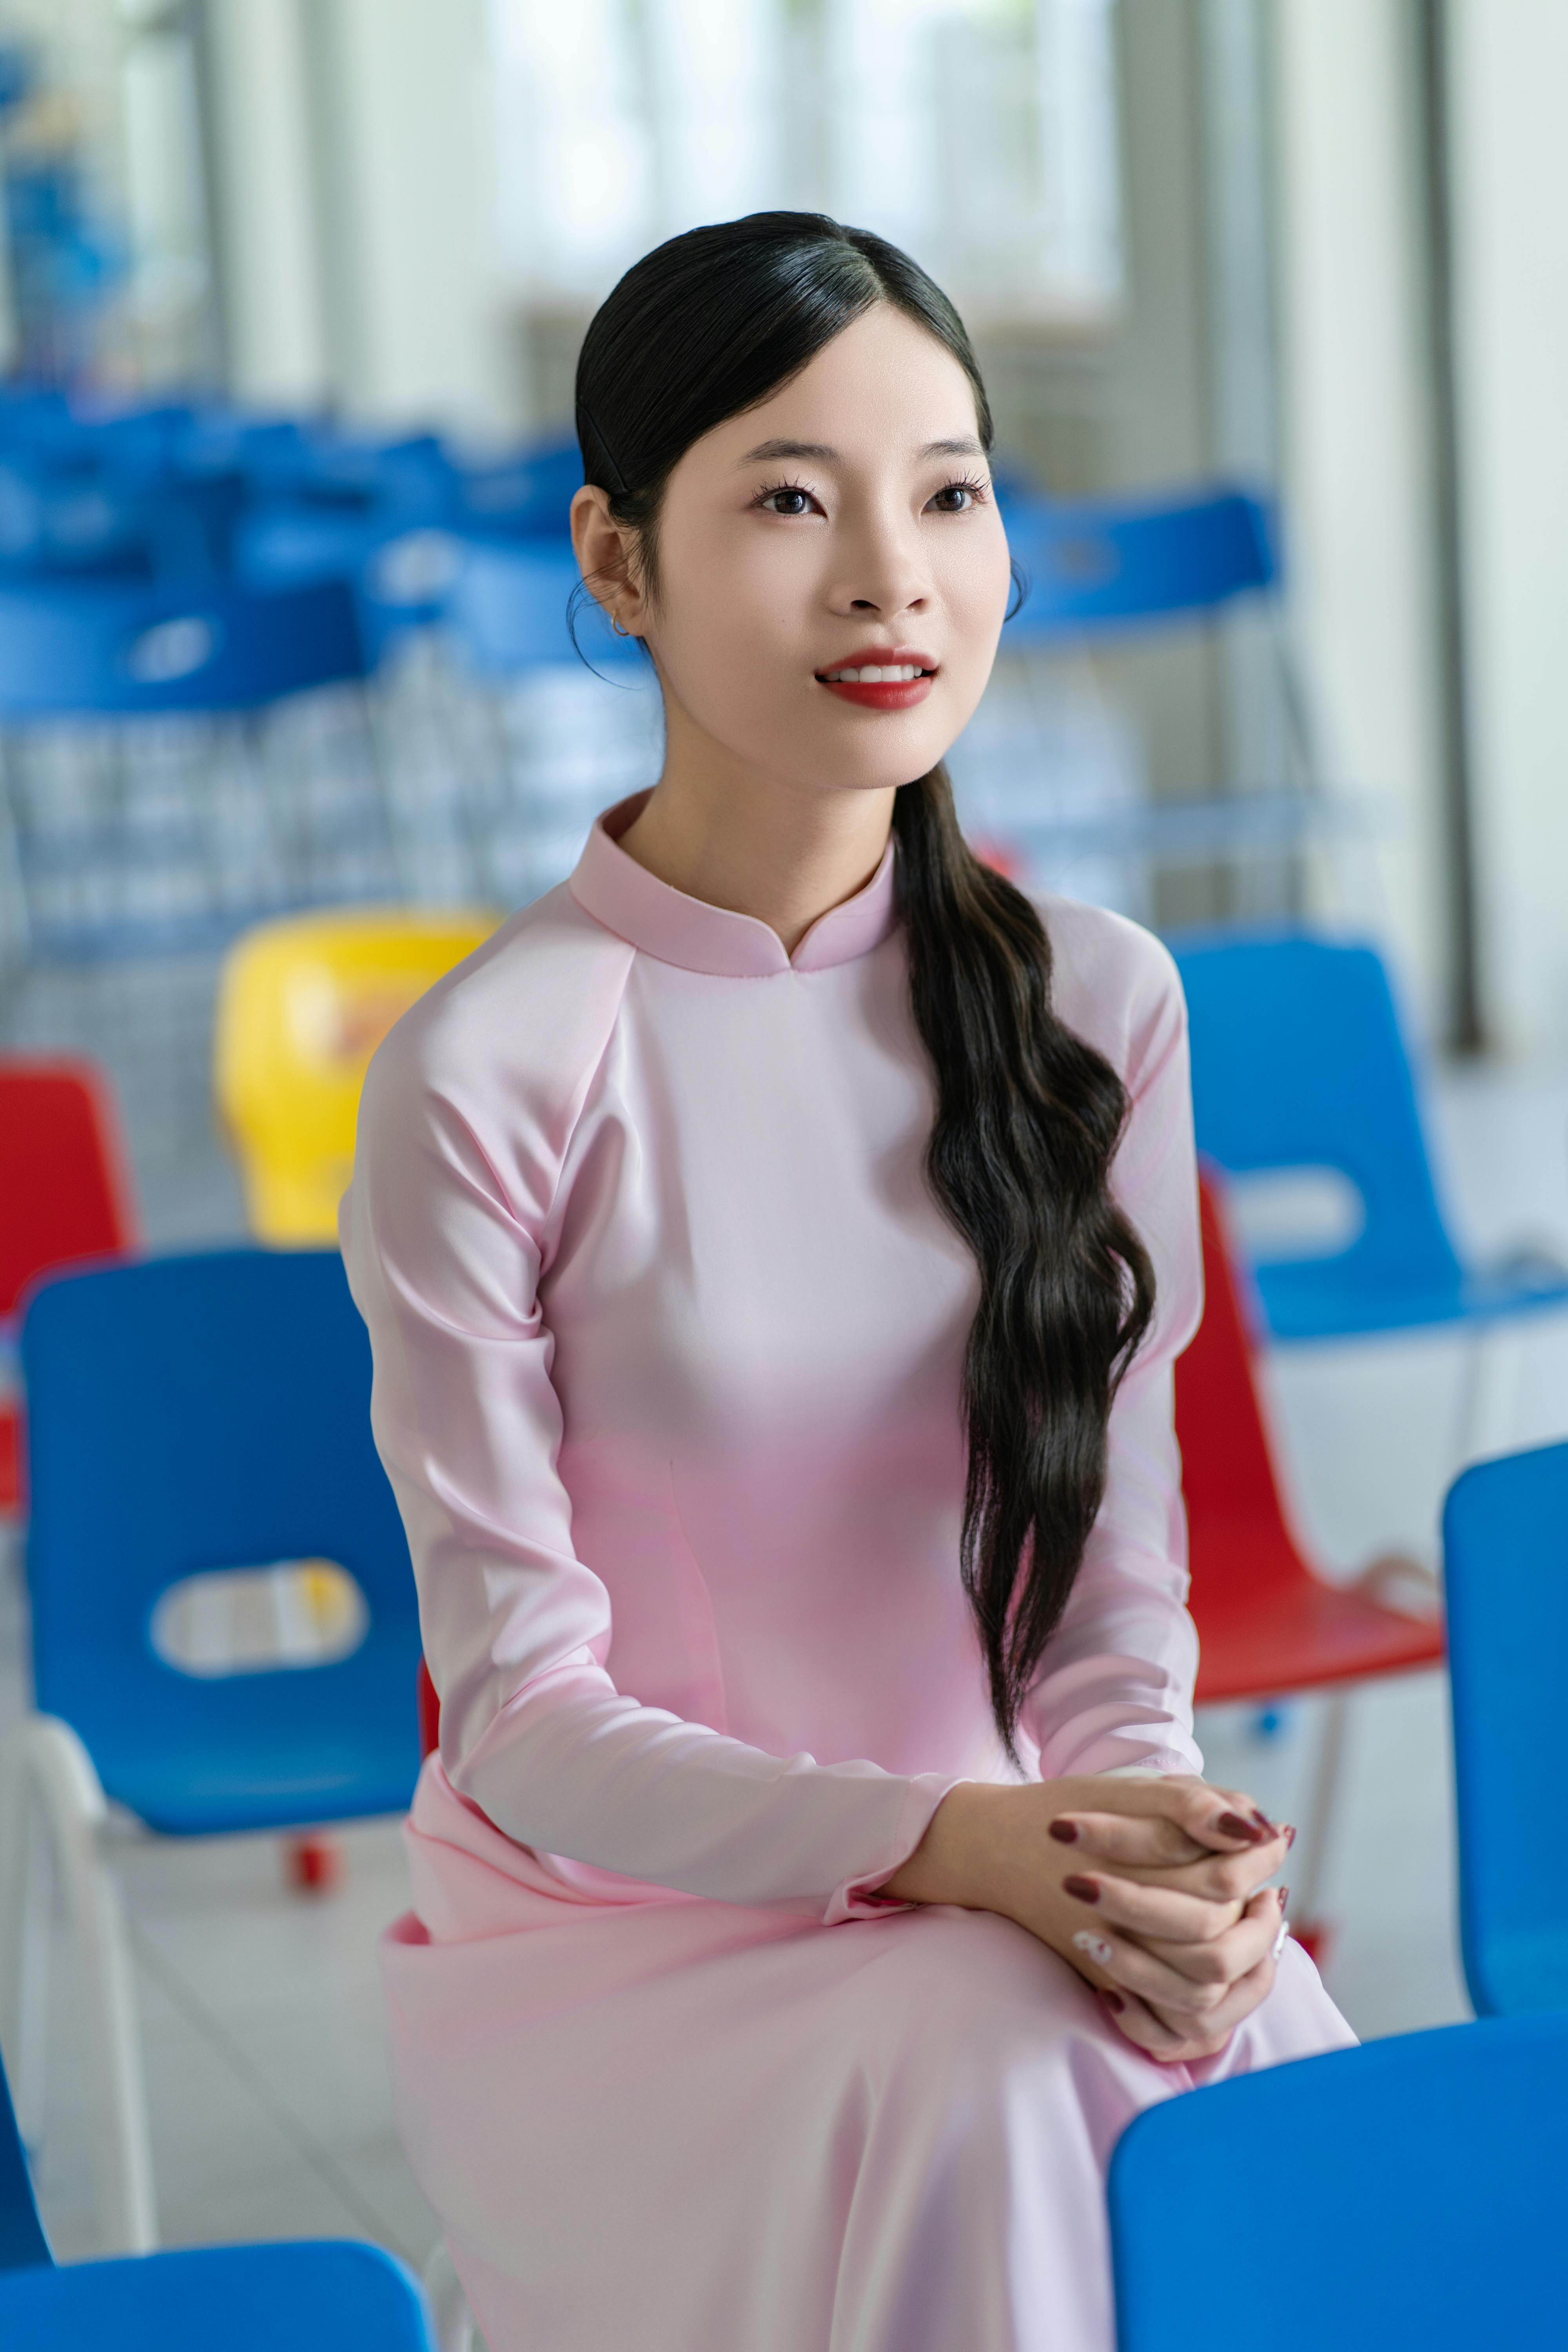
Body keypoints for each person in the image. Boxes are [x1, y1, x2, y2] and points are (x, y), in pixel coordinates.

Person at [343, 212, 1353, 2352]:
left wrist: (1153, 1829)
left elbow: (1110, 1579)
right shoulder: (494, 1065)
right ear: (620, 566)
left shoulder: (1097, 1002)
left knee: (1262, 2065)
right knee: (1000, 2070)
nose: (892, 573)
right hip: (620, 1937)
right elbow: (525, 1723)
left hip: (1005, 1860)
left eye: (951, 492)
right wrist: (953, 1845)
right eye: (791, 499)